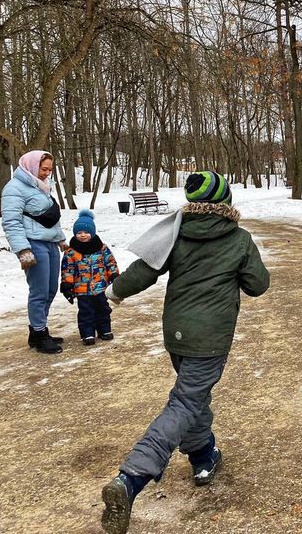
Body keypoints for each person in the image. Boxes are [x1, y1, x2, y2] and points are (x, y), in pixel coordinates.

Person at [100, 171, 270, 534]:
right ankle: (131, 477)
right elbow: (258, 285)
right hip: (209, 339)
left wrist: (114, 292)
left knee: (192, 398)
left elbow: (146, 269)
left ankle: (203, 454)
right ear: (225, 201)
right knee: (185, 402)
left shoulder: (177, 232)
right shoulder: (239, 240)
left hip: (176, 335)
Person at [1, 150, 66, 353]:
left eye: (49, 170)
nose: (47, 173)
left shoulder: (41, 186)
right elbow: (11, 221)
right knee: (39, 291)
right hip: (33, 244)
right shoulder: (15, 188)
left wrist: (61, 239)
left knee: (50, 289)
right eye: (43, 169)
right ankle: (40, 333)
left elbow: (50, 217)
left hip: (49, 243)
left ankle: (37, 330)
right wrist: (22, 249)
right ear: (31, 166)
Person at [60, 209, 119, 346]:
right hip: (82, 289)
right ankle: (87, 333)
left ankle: (104, 330)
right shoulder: (71, 252)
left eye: (86, 232)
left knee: (103, 309)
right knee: (86, 312)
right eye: (79, 233)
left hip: (100, 287)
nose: (82, 235)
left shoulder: (102, 248)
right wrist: (67, 285)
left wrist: (114, 276)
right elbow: (67, 269)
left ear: (92, 233)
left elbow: (110, 263)